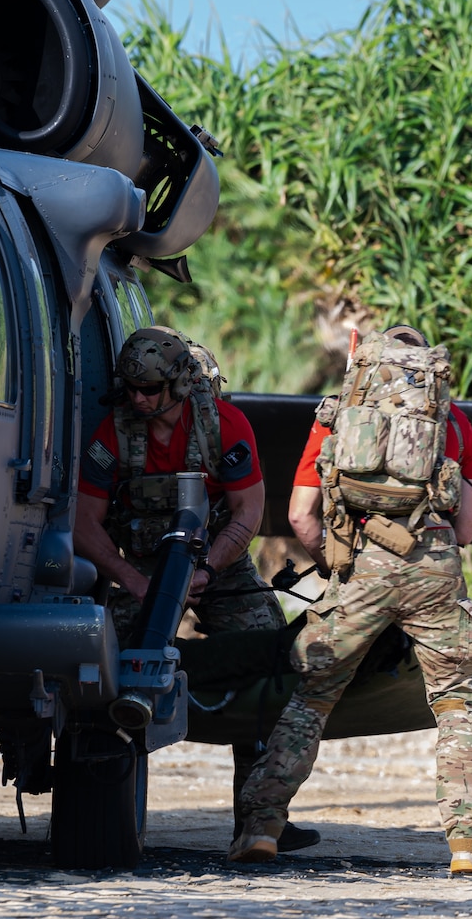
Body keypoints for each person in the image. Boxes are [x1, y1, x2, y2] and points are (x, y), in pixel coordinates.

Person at [230, 325, 472, 874]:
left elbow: (302, 514)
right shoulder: (455, 422)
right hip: (434, 569)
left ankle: (260, 827)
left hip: (359, 571)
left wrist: (338, 568)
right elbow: (467, 529)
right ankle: (468, 843)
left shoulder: (337, 417)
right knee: (455, 703)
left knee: (312, 699)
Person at [72, 327, 313, 852]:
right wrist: (136, 583)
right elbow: (84, 523)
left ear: (179, 385)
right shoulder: (112, 434)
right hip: (136, 568)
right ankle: (99, 802)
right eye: (131, 388)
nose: (138, 399)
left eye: (150, 390)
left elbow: (249, 512)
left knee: (274, 656)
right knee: (96, 666)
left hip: (216, 566)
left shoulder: (223, 425)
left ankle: (261, 817)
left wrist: (206, 571)